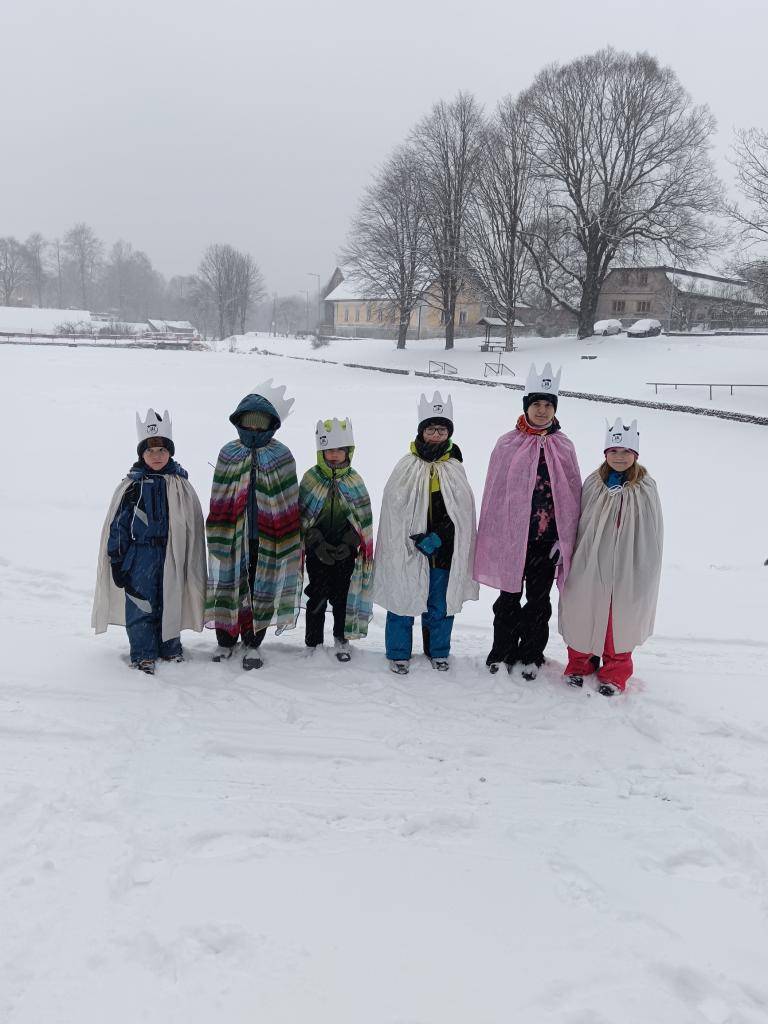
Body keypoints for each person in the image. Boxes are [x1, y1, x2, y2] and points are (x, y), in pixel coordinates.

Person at [474, 363, 582, 679]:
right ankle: (502, 651)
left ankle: (531, 655)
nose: (542, 410)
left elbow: (572, 496)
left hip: (546, 542)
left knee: (538, 602)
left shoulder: (564, 445)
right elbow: (495, 495)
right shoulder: (507, 443)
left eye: (548, 405)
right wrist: (494, 536)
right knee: (508, 598)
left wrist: (565, 541)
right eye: (536, 404)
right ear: (526, 406)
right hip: (512, 539)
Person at [92, 409, 207, 674]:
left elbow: (191, 524)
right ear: (142, 454)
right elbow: (118, 525)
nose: (157, 456)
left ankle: (169, 647)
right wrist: (118, 557)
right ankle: (143, 653)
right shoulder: (132, 486)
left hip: (171, 554)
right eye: (151, 451)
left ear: (170, 453)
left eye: (162, 451)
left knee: (170, 601)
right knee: (141, 605)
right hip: (139, 556)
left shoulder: (180, 485)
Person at [373, 392, 478, 674]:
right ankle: (398, 652)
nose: (435, 434)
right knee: (403, 599)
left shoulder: (454, 468)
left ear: (448, 433)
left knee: (439, 604)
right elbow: (394, 507)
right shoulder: (406, 466)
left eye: (441, 429)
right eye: (431, 428)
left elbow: (462, 513)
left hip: (444, 550)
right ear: (421, 431)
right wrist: (414, 535)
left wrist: (441, 535)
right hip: (409, 549)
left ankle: (438, 650)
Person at [559, 418, 663, 696]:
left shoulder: (645, 488)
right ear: (606, 454)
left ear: (635, 455)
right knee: (583, 612)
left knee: (618, 623)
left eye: (626, 452)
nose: (619, 456)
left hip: (628, 567)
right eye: (614, 451)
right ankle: (579, 665)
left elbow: (652, 534)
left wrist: (644, 569)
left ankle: (614, 674)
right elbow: (577, 520)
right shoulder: (594, 483)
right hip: (590, 563)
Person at [206, 380, 302, 670]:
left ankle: (253, 642)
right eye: (250, 422)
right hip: (233, 535)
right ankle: (226, 640)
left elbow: (288, 499)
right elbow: (219, 496)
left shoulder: (281, 454)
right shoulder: (228, 453)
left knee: (261, 589)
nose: (255, 428)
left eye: (261, 423)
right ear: (240, 422)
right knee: (229, 586)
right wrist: (220, 528)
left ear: (272, 425)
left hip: (267, 538)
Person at [299, 417, 374, 662]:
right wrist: (316, 541)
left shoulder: (355, 480)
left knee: (342, 596)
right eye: (329, 450)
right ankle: (313, 641)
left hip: (345, 551)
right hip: (317, 550)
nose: (334, 455)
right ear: (321, 452)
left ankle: (341, 639)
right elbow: (302, 515)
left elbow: (361, 519)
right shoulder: (311, 479)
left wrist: (350, 542)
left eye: (339, 450)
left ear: (348, 452)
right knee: (317, 596)